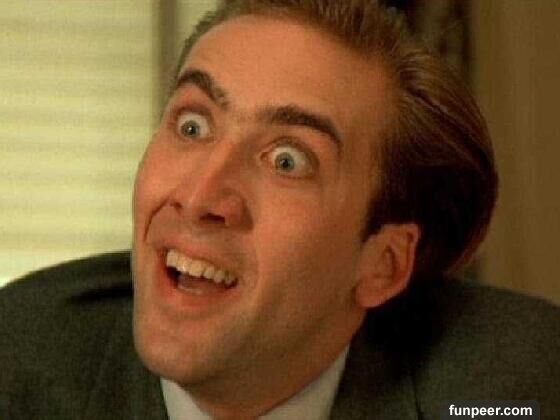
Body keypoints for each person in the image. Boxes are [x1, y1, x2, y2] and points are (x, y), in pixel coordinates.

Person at [1, 1, 559, 419]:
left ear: (382, 264)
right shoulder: (16, 365)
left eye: (288, 160)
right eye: (192, 126)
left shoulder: (518, 386)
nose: (199, 198)